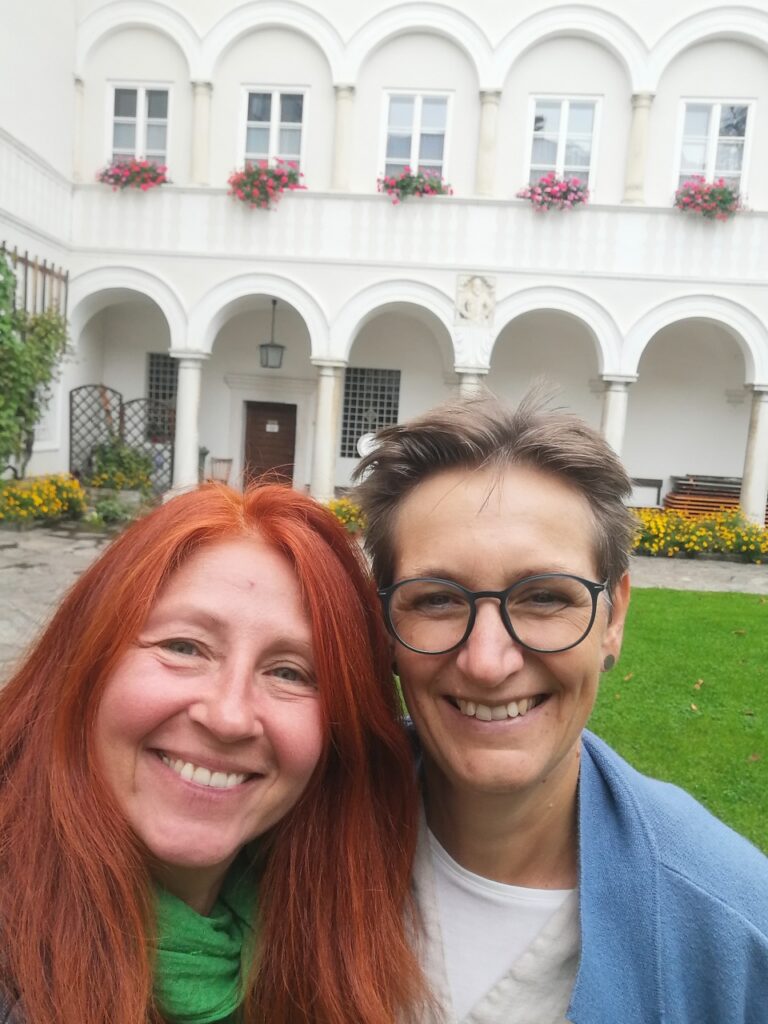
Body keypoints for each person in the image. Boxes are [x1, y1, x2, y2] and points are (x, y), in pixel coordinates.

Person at [353, 391, 768, 1024]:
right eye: (436, 600)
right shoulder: (290, 849)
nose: (488, 662)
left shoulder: (735, 929)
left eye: (545, 597)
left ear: (613, 618)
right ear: (385, 624)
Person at [0, 484, 425, 1024]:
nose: (227, 717)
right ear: (84, 661)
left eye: (290, 672)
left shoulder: (333, 937)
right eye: (184, 647)